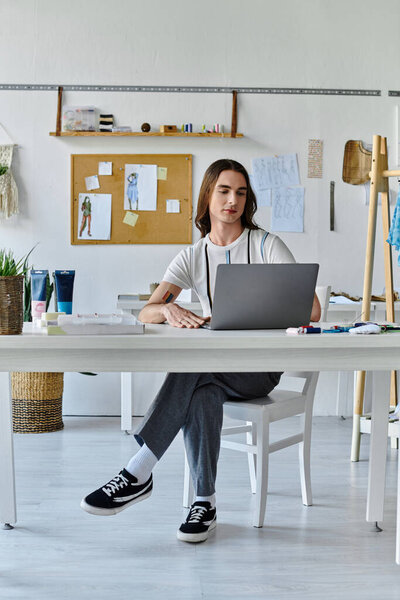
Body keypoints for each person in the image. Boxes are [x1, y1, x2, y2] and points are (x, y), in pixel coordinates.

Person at [81, 159, 321, 543]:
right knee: (203, 390)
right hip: (213, 370)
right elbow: (147, 311)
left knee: (193, 366)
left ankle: (138, 471)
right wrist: (168, 307)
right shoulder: (192, 256)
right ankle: (204, 503)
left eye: (241, 192)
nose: (233, 200)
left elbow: (312, 310)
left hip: (258, 371)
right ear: (207, 196)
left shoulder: (266, 245)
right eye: (224, 191)